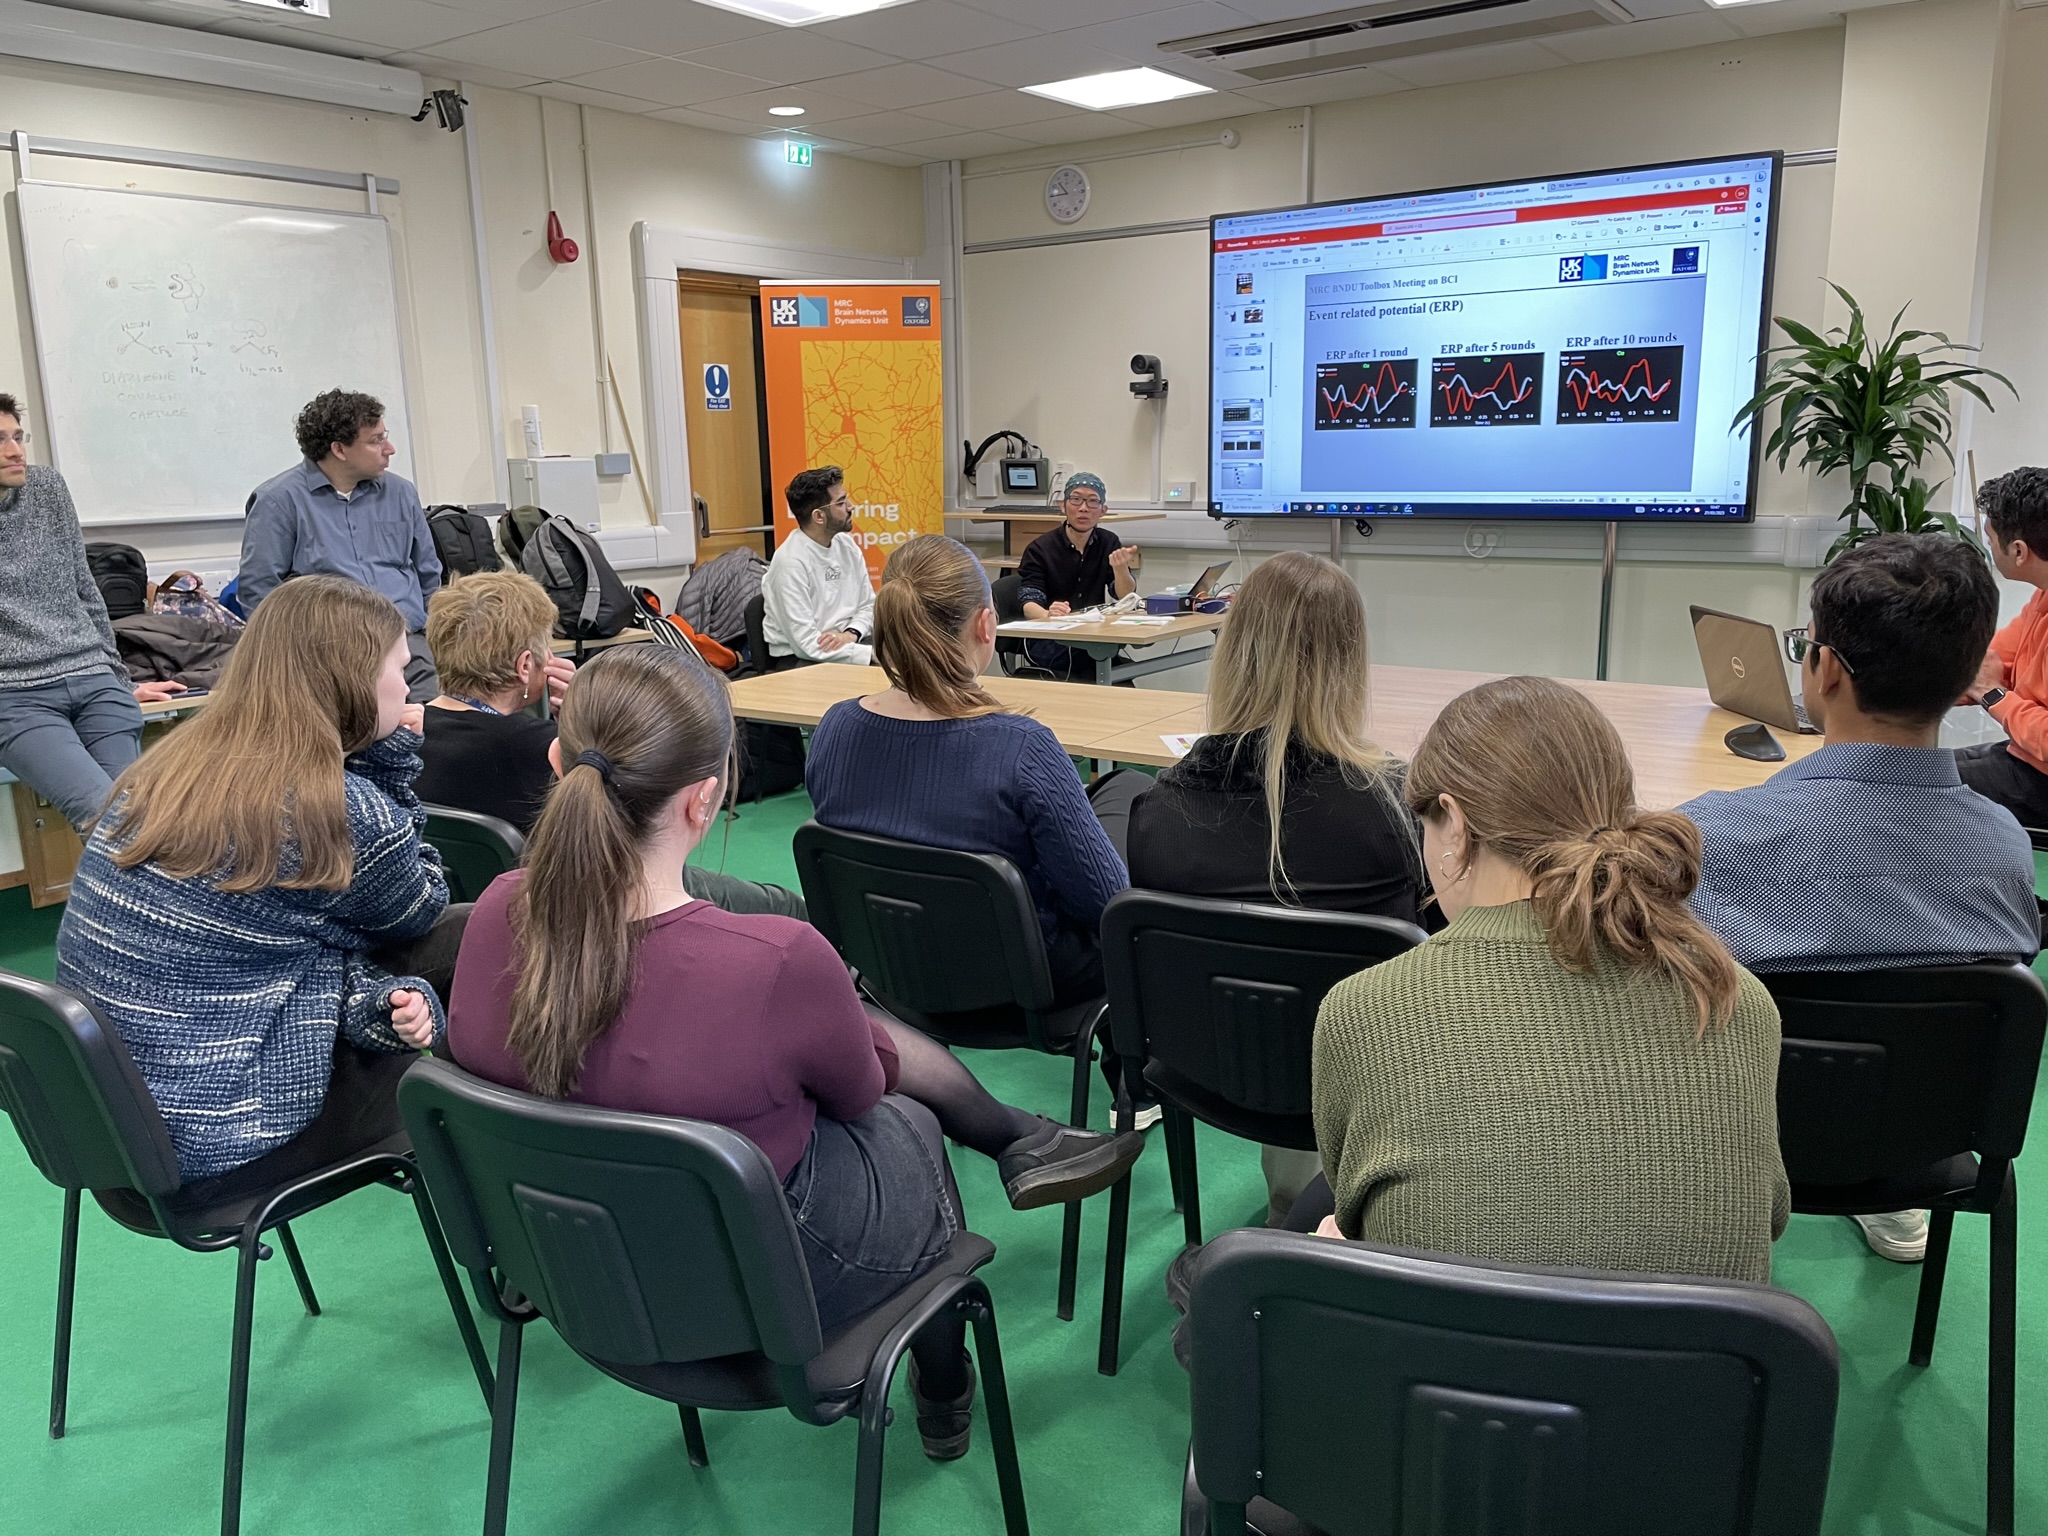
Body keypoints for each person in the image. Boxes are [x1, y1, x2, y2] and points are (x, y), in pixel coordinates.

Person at [446, 644, 1143, 1459]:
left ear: (558, 762)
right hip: (759, 1291)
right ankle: (944, 1381)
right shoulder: (775, 960)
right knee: (910, 1123)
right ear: (706, 798)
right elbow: (860, 1095)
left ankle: (1014, 1147)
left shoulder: (493, 913)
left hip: (578, 1270)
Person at [1312, 675, 1789, 1282]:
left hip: (1446, 1344)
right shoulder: (1733, 998)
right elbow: (1768, 1215)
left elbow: (1355, 1207)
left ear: (1453, 823)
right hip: (1692, 1347)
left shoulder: (1364, 1010)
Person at [1682, 532, 2038, 1263]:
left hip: (1726, 1139)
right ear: (1964, 676)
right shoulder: (2005, 848)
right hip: (1919, 1146)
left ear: (1826, 671)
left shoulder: (1712, 839)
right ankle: (1893, 1208)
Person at [56, 576, 460, 1191]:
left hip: (105, 1133)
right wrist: (390, 759)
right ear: (354, 680)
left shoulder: (169, 767)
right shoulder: (335, 805)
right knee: (474, 939)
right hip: (218, 1139)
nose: (408, 688)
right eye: (400, 669)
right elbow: (420, 906)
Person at [1127, 550, 1423, 1225]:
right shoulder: (1392, 810)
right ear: (1350, 661)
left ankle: (1289, 1210)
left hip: (1213, 1070)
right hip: (1376, 1083)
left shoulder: (1157, 814)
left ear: (1233, 651)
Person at [806, 534, 1143, 1010]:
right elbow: (1106, 904)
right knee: (1131, 800)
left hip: (890, 965)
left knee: (1115, 789)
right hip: (1024, 983)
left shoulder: (834, 728)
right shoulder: (1021, 747)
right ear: (986, 625)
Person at [415, 570, 804, 918]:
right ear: (525, 666)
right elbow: (639, 820)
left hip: (474, 915)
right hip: (609, 897)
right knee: (786, 906)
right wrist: (589, 714)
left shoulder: (403, 737)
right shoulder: (547, 750)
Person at [0, 393, 192, 830]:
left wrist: (119, 680)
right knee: (106, 818)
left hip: (93, 678)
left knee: (138, 816)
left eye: (18, 437)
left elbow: (85, 589)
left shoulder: (47, 489)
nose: (15, 451)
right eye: (0, 441)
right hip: (17, 697)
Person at [241, 389, 443, 702]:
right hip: (330, 654)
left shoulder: (401, 493)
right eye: (376, 440)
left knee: (435, 722)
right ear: (339, 449)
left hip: (407, 645)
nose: (389, 449)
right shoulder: (278, 501)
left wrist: (435, 638)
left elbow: (429, 573)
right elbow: (259, 592)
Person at [1955, 467, 2048, 825]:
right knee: (1916, 768)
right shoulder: (2042, 597)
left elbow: (1986, 684)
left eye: (1990, 539)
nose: (1989, 547)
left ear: (2019, 551)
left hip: (2041, 780)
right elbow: (1985, 662)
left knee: (1909, 788)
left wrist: (1992, 695)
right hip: (2023, 757)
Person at [1015, 471, 1140, 679]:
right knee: (1107, 669)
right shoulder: (1040, 549)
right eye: (1076, 499)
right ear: (1063, 506)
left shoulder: (1108, 542)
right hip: (1050, 639)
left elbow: (1124, 596)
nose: (1083, 508)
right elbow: (1028, 603)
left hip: (1092, 635)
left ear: (1103, 511)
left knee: (1117, 670)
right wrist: (1048, 614)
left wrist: (1121, 570)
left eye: (1092, 501)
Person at [761, 465, 875, 669]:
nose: (851, 507)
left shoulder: (847, 545)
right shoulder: (790, 562)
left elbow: (868, 605)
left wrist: (851, 633)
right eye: (841, 503)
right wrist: (871, 655)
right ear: (819, 517)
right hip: (802, 660)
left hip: (851, 643)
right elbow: (806, 645)